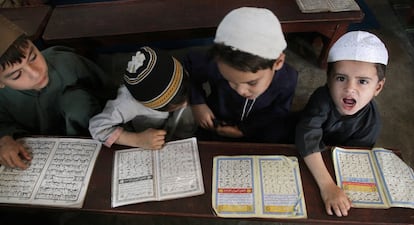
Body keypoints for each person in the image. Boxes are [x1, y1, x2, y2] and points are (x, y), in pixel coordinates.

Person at [0, 14, 116, 170]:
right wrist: (5, 140)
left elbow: (110, 91)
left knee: (77, 103)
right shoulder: (3, 98)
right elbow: (3, 124)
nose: (36, 73)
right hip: (42, 160)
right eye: (17, 75)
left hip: (96, 144)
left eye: (33, 57)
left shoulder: (67, 62)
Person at [295, 31, 388, 217]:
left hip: (334, 165)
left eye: (362, 81)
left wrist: (335, 188)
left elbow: (354, 160)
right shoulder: (322, 99)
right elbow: (307, 136)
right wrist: (328, 186)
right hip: (307, 157)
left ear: (377, 87)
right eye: (341, 78)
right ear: (328, 80)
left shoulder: (371, 123)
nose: (350, 89)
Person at [184, 7, 298, 143]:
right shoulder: (216, 62)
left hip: (259, 128)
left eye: (252, 83)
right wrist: (198, 103)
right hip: (217, 120)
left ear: (278, 63)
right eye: (229, 80)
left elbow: (279, 111)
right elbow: (188, 66)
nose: (240, 91)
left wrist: (245, 130)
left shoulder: (288, 79)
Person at [89, 46, 195, 150]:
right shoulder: (126, 103)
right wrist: (137, 140)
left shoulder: (177, 73)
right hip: (145, 134)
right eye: (177, 104)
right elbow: (97, 128)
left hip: (173, 131)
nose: (185, 104)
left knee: (189, 112)